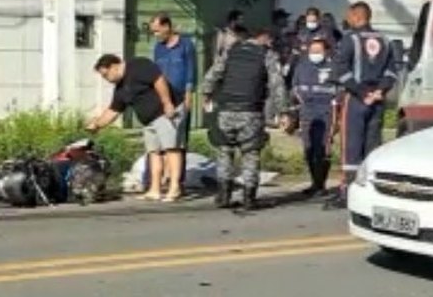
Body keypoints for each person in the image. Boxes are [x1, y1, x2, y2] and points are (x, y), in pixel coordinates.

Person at [202, 27, 288, 210]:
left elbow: (212, 75)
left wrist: (207, 94)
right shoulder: (267, 55)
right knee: (250, 154)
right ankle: (249, 198)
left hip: (225, 110)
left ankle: (223, 196)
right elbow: (277, 84)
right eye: (270, 41)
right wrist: (283, 111)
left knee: (224, 151)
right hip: (250, 112)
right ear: (264, 39)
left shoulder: (231, 51)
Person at [87, 54, 187, 202]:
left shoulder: (138, 65)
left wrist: (167, 103)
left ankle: (174, 187)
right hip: (149, 121)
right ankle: (155, 189)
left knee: (172, 148)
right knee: (154, 152)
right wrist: (97, 124)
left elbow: (159, 80)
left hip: (166, 112)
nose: (106, 79)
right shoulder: (120, 89)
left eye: (106, 74)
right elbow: (114, 110)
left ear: (114, 66)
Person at [328, 1, 398, 208]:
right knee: (372, 146)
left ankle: (349, 191)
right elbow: (392, 71)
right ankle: (369, 190)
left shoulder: (350, 39)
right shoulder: (385, 40)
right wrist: (380, 91)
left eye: (349, 16)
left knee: (351, 147)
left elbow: (341, 70)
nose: (346, 20)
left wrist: (362, 92)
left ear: (357, 17)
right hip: (377, 101)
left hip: (356, 99)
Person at [149, 13, 197, 186]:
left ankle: (177, 180)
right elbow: (155, 72)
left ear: (167, 26)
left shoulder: (186, 45)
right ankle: (161, 177)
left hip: (180, 96)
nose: (155, 35)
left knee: (179, 140)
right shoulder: (158, 48)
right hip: (163, 97)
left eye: (157, 30)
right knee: (162, 139)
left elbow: (191, 71)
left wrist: (189, 94)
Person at [289, 38, 337, 197]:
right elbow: (295, 87)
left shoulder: (333, 68)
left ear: (326, 51)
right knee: (309, 148)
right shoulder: (302, 67)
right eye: (312, 51)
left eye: (318, 51)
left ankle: (321, 184)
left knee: (323, 148)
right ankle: (314, 183)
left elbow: (341, 90)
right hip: (307, 112)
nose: (315, 54)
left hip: (326, 112)